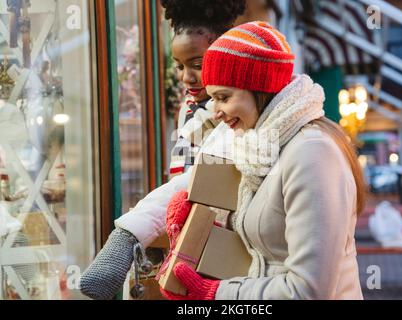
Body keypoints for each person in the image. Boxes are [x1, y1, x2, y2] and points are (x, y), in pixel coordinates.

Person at [159, 21, 366, 300]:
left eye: (223, 97)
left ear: (260, 88)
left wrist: (217, 294)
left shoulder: (312, 153)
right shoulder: (258, 146)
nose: (216, 111)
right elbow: (263, 239)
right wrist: (205, 222)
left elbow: (308, 291)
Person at [79, 0, 246, 300]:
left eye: (197, 65)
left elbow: (197, 179)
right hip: (194, 247)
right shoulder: (191, 109)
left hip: (224, 257)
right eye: (179, 66)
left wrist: (129, 232)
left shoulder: (236, 116)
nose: (186, 77)